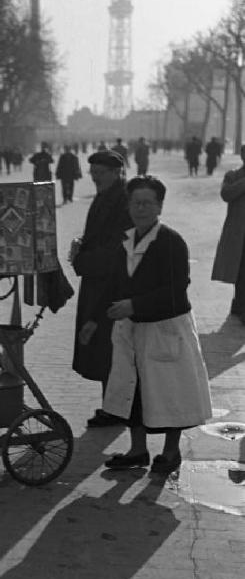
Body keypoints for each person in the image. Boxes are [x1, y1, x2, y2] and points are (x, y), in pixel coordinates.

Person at [80, 175, 212, 472]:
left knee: (170, 392)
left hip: (165, 329)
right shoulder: (125, 242)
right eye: (136, 203)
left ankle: (170, 453)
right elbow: (113, 284)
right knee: (133, 390)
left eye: (148, 203)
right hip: (132, 329)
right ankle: (137, 450)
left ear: (160, 206)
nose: (141, 208)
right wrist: (94, 319)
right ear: (128, 206)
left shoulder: (171, 242)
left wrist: (135, 304)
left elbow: (176, 290)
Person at [69, 150, 132, 427]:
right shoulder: (107, 194)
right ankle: (111, 405)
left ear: (116, 172)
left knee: (111, 346)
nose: (95, 179)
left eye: (100, 174)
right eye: (92, 175)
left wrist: (84, 259)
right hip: (97, 279)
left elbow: (118, 248)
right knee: (102, 347)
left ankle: (117, 409)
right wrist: (82, 244)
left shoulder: (123, 199)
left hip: (111, 283)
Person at [211, 144, 245, 323]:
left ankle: (240, 305)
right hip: (238, 232)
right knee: (239, 271)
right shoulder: (232, 175)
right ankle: (240, 305)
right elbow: (226, 194)